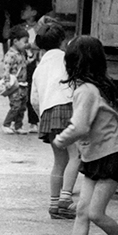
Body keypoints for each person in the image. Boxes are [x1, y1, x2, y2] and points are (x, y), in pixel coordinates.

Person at [46, 36, 118, 235]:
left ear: (74, 62)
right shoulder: (101, 86)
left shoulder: (85, 91)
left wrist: (61, 139)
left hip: (110, 157)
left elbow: (81, 126)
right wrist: (110, 123)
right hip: (96, 157)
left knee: (95, 213)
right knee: (82, 210)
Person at [30, 22, 79, 219]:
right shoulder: (67, 59)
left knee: (59, 161)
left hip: (48, 112)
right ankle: (66, 200)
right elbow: (76, 85)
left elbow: (34, 99)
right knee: (76, 156)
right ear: (63, 41)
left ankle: (54, 203)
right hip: (67, 107)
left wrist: (42, 113)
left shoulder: (39, 68)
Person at [1, 24, 30, 134]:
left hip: (23, 84)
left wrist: (29, 61)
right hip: (14, 85)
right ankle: (6, 124)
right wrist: (7, 81)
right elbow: (6, 69)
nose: (26, 44)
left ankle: (18, 125)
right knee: (15, 105)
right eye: (25, 41)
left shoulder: (21, 53)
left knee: (22, 106)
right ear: (15, 41)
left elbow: (22, 65)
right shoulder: (10, 55)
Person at [20, 4, 41, 133]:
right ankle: (23, 122)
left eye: (26, 9)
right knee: (23, 92)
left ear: (33, 12)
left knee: (34, 90)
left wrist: (30, 45)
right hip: (23, 63)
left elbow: (41, 43)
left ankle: (35, 120)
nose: (22, 11)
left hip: (35, 63)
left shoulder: (39, 28)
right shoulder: (20, 28)